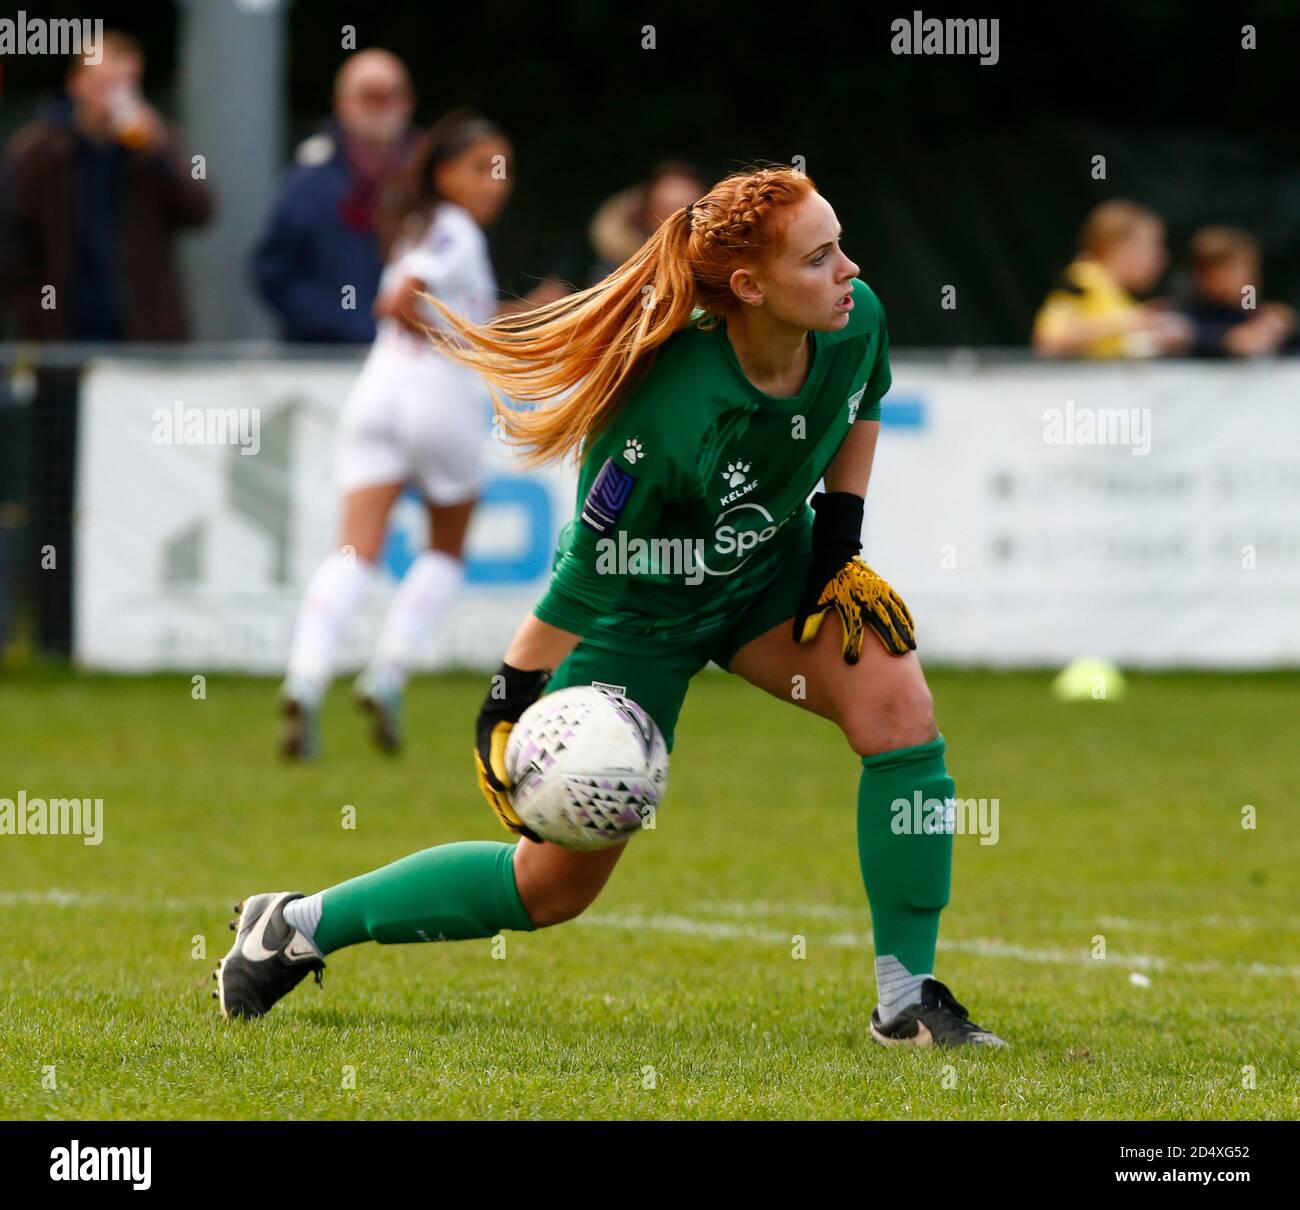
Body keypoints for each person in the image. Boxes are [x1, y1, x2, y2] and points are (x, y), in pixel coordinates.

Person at [218, 165, 1007, 1049]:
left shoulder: (853, 320)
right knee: (549, 890)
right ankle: (295, 922)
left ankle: (907, 1004)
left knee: (901, 712)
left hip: (763, 577)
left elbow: (867, 400)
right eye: (820, 257)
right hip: (637, 610)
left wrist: (839, 541)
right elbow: (592, 572)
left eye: (840, 245)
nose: (850, 270)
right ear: (749, 287)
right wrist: (511, 692)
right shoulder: (661, 407)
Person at [278, 110, 560, 759]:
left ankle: (305, 678)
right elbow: (400, 303)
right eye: (482, 168)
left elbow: (452, 314)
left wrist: (524, 313)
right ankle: (386, 673)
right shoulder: (455, 231)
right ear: (443, 173)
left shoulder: (418, 227)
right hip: (438, 399)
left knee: (354, 550)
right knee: (445, 551)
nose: (497, 183)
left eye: (504, 170)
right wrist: (453, 343)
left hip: (375, 392)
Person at [2, 29, 214, 341]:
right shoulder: (38, 151)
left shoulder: (158, 143)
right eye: (103, 83)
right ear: (75, 84)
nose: (112, 95)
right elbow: (14, 237)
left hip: (141, 333)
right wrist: (32, 308)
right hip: (61, 332)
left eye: (122, 84)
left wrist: (159, 152)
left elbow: (200, 208)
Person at [252, 49, 418, 344]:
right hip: (326, 360)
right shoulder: (309, 180)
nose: (381, 107)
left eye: (391, 95)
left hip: (416, 358)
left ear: (408, 102)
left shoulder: (431, 178)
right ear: (341, 104)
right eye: (369, 96)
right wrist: (341, 324)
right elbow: (275, 273)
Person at [1032, 199, 1188, 358]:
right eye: (1152, 246)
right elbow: (1050, 338)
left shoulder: (1115, 293)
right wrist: (1130, 322)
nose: (1162, 258)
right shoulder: (1083, 278)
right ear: (1118, 246)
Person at [1179, 226, 1298, 358]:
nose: (1245, 277)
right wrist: (1225, 341)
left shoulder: (1249, 305)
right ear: (1203, 275)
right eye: (1231, 271)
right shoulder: (1183, 311)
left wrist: (1283, 327)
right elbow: (1186, 334)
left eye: (1249, 269)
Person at [586, 159, 706, 282]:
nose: (676, 220)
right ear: (647, 213)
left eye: (687, 212)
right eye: (667, 210)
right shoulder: (617, 263)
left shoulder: (711, 264)